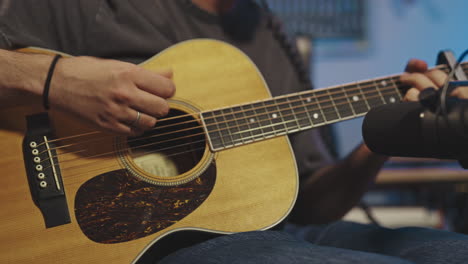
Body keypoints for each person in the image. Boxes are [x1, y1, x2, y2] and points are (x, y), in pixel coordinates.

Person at [1, 0, 467, 263]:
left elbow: (311, 202)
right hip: (152, 244)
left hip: (277, 230)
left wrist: (385, 136)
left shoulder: (264, 32)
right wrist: (54, 79)